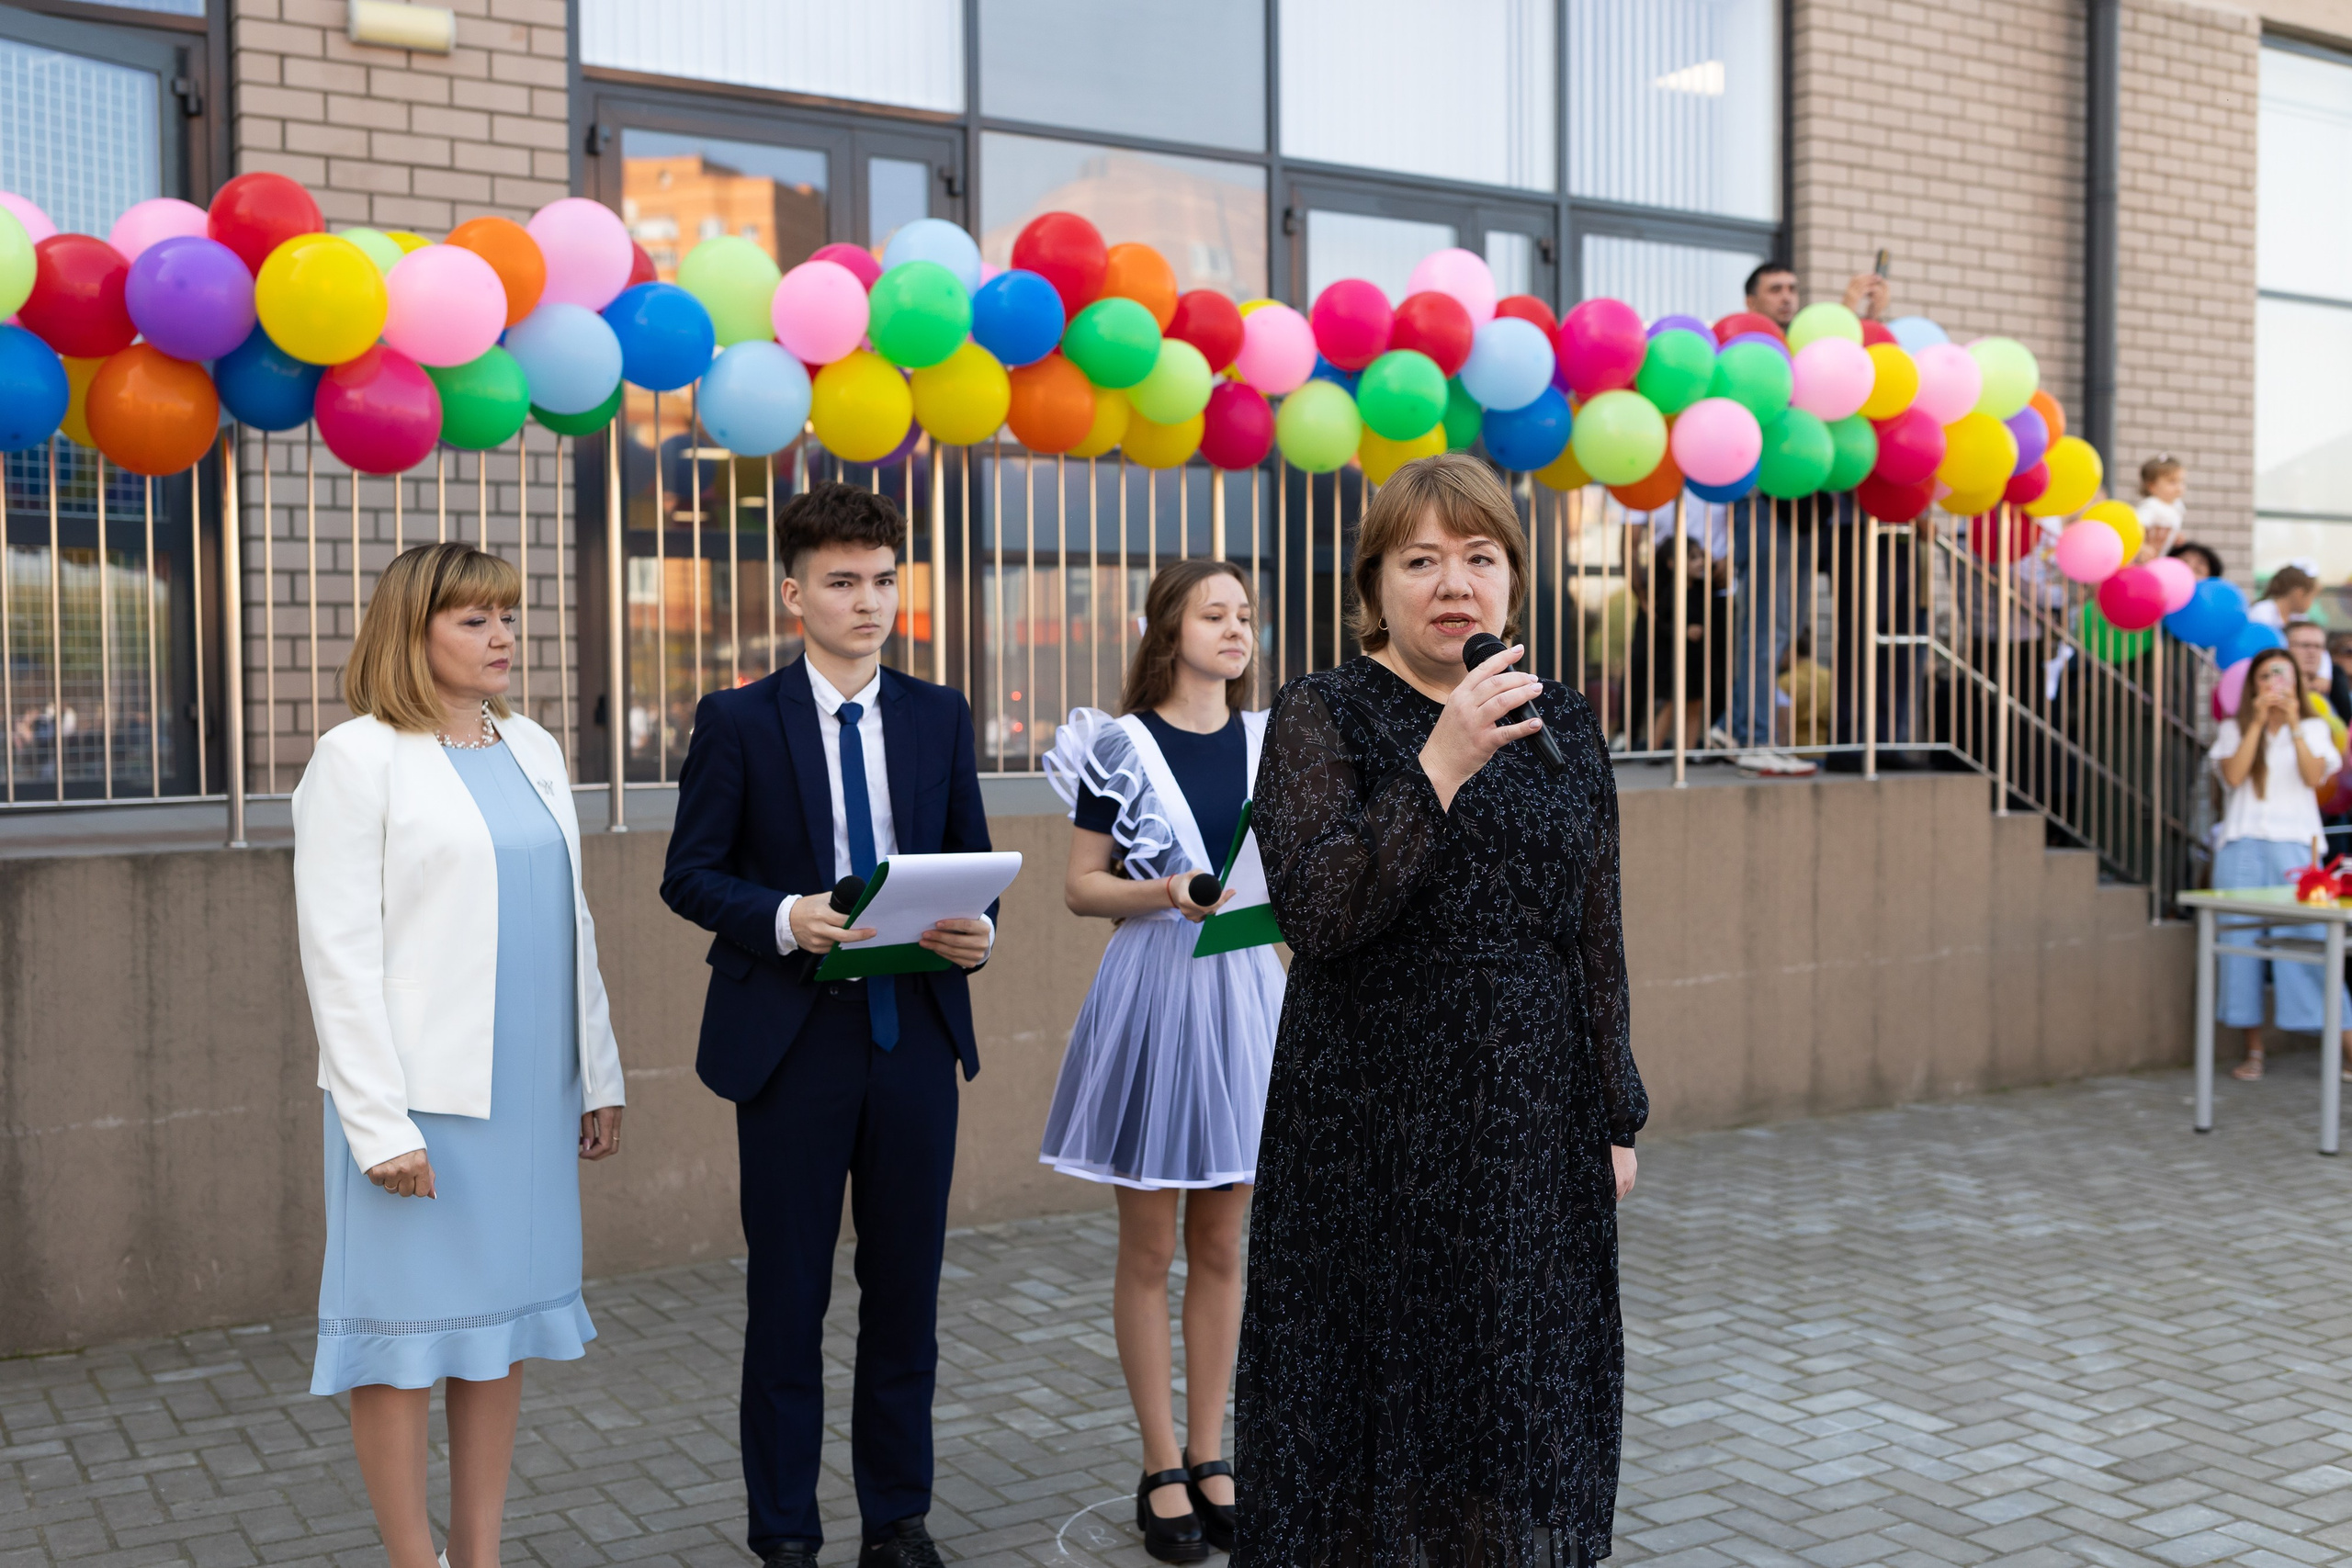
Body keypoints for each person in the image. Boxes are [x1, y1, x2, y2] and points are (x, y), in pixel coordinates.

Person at [1234, 453, 1646, 1568]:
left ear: (1514, 580)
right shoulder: (1318, 713)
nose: (1452, 583)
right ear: (1375, 584)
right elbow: (1317, 913)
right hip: (1370, 1122)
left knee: (1512, 1399)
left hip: (1528, 1125)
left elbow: (1593, 930)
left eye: (1479, 557)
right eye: (1421, 560)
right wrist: (1441, 760)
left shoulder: (1559, 719)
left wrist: (1615, 1110)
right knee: (1378, 1406)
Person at [660, 483, 995, 1568]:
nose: (870, 603)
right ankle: (786, 1535)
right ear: (793, 592)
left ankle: (896, 1522)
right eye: (845, 583)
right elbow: (689, 875)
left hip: (914, 1039)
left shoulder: (939, 713)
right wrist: (780, 916)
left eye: (885, 581)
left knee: (905, 1298)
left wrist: (977, 936)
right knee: (788, 1301)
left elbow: (969, 869)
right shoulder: (738, 719)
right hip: (793, 1049)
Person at [291, 542, 627, 1568]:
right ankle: (412, 1559)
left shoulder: (532, 746)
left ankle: (477, 1555)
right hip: (418, 1103)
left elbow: (571, 918)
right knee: (398, 1346)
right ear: (412, 631)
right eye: (474, 620)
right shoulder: (357, 757)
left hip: (530, 1093)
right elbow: (337, 954)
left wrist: (598, 1069)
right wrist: (376, 1124)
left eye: (507, 617)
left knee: (496, 1335)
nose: (504, 638)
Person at [1039, 558, 1285, 1562]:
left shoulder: (1276, 740)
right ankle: (1157, 1464)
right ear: (1167, 629)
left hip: (1249, 994)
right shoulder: (1121, 747)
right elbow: (1079, 886)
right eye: (1213, 613)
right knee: (1149, 1248)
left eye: (1243, 615)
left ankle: (1212, 1451)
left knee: (1226, 1243)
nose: (1235, 629)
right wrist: (1166, 890)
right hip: (1154, 996)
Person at [1722, 262, 1890, 776]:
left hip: (1802, 507)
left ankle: (1741, 725)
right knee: (1766, 625)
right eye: (1775, 290)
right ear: (1752, 302)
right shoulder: (1758, 351)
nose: (1788, 297)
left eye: (1793, 289)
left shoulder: (1800, 349)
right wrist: (1845, 311)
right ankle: (1748, 736)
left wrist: (1866, 319)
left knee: (1784, 623)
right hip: (1768, 504)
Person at [2210, 646, 2352, 1082]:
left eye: (2284, 674)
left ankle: (2345, 1049)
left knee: (2309, 944)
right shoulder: (2234, 729)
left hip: (2295, 849)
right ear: (2254, 681)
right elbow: (2233, 777)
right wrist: (2256, 723)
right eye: (2268, 675)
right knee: (2240, 952)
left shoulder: (2313, 727)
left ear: (2298, 682)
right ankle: (2254, 1051)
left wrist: (2292, 725)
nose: (2276, 683)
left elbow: (2315, 779)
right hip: (2242, 845)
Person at [2134, 455, 2187, 562]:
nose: (2179, 487)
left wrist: (2174, 537)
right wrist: (2142, 546)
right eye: (2172, 482)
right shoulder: (2151, 506)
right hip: (2141, 558)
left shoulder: (2177, 506)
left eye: (2181, 481)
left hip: (2158, 558)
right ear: (2152, 486)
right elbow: (2134, 527)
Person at [2251, 564, 2320, 631]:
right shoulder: (2262, 612)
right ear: (2299, 593)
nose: (2312, 603)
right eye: (2312, 597)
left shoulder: (2299, 617)